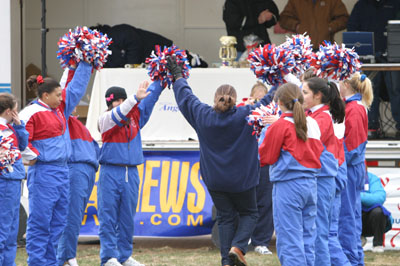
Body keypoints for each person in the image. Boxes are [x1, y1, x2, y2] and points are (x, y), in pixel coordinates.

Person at [166, 55, 278, 266]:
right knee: (250, 213)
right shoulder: (248, 114)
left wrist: (178, 75)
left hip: (215, 181)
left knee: (226, 217)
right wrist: (280, 76)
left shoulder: (203, 115)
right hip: (243, 180)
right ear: (235, 99)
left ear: (216, 98)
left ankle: (227, 260)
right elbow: (270, 100)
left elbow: (185, 98)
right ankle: (238, 247)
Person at [19, 62, 92, 266]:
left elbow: (76, 88)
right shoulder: (31, 112)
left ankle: (51, 262)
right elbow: (19, 138)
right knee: (41, 222)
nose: (62, 99)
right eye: (58, 95)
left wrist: (85, 62)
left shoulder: (58, 109)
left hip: (62, 171)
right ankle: (37, 262)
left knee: (59, 222)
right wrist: (30, 156)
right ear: (45, 96)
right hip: (44, 172)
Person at [97, 80, 163, 266]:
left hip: (131, 172)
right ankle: (108, 257)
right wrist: (134, 98)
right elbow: (119, 113)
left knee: (127, 217)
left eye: (123, 99)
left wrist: (161, 78)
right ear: (110, 103)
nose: (121, 103)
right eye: (117, 100)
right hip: (110, 171)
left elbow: (150, 100)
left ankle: (124, 256)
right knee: (108, 216)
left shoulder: (135, 118)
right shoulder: (106, 119)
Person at [259, 83, 324, 266]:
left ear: (279, 102)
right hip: (311, 185)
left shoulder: (279, 126)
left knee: (290, 241)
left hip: (288, 186)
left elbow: (266, 157)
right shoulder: (312, 123)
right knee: (307, 239)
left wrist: (264, 133)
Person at [56, 69, 100, 266]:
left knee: (74, 216)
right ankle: (65, 257)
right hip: (75, 170)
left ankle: (66, 255)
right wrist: (76, 66)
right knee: (71, 216)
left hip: (86, 171)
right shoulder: (59, 117)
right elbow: (69, 89)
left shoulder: (74, 122)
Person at [302, 77, 346, 265]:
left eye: (304, 93)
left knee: (320, 231)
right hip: (320, 178)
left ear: (318, 95)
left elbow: (307, 143)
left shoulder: (322, 118)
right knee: (318, 230)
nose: (300, 96)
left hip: (323, 179)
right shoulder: (315, 115)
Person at [347, 0, 400, 139]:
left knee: (396, 90)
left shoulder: (395, 4)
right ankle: (371, 126)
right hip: (368, 57)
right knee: (369, 89)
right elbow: (351, 28)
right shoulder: (361, 5)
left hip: (393, 57)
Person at [338, 72, 373, 266]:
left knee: (347, 215)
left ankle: (351, 259)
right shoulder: (355, 107)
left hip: (350, 168)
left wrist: (334, 158)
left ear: (346, 85)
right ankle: (355, 258)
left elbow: (352, 147)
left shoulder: (354, 109)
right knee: (351, 214)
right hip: (353, 167)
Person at [238, 82, 275, 255]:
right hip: (247, 163)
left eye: (263, 99)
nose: (260, 102)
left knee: (265, 203)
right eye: (257, 99)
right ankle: (243, 238)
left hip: (266, 164)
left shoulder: (274, 114)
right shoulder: (245, 111)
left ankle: (261, 241)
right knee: (246, 203)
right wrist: (247, 107)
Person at [0, 93, 29, 266]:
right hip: (5, 180)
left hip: (13, 180)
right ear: (9, 111)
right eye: (16, 111)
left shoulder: (10, 129)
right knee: (4, 228)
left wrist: (19, 126)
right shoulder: (2, 131)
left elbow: (23, 145)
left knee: (11, 229)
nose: (17, 115)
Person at [90, 24, 173, 68]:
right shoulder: (101, 56)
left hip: (162, 51)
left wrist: (131, 66)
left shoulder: (114, 33)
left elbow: (134, 41)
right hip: (150, 63)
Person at [279, 0, 349, 50]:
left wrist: (330, 28)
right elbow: (284, 19)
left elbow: (344, 18)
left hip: (326, 49)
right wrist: (297, 26)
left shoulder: (332, 1)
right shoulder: (295, 1)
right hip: (303, 49)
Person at [361, 172, 393, 253]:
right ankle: (357, 238)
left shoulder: (371, 178)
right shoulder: (343, 175)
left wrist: (357, 196)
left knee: (378, 211)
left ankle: (378, 245)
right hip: (349, 217)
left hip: (367, 219)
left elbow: (379, 197)